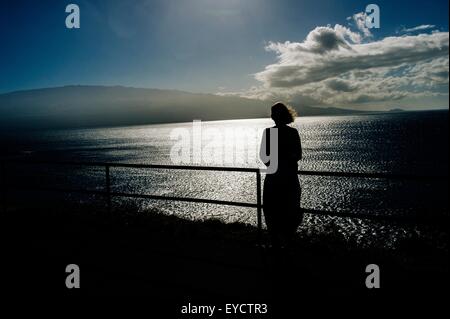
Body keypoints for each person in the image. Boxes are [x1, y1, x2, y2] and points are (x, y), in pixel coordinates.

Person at [260, 102, 303, 248]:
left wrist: (275, 164)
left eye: (274, 113)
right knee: (289, 210)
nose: (272, 116)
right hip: (289, 178)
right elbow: (297, 155)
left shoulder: (269, 132)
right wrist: (286, 160)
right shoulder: (292, 133)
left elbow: (264, 157)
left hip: (273, 179)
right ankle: (287, 244)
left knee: (272, 212)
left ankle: (276, 245)